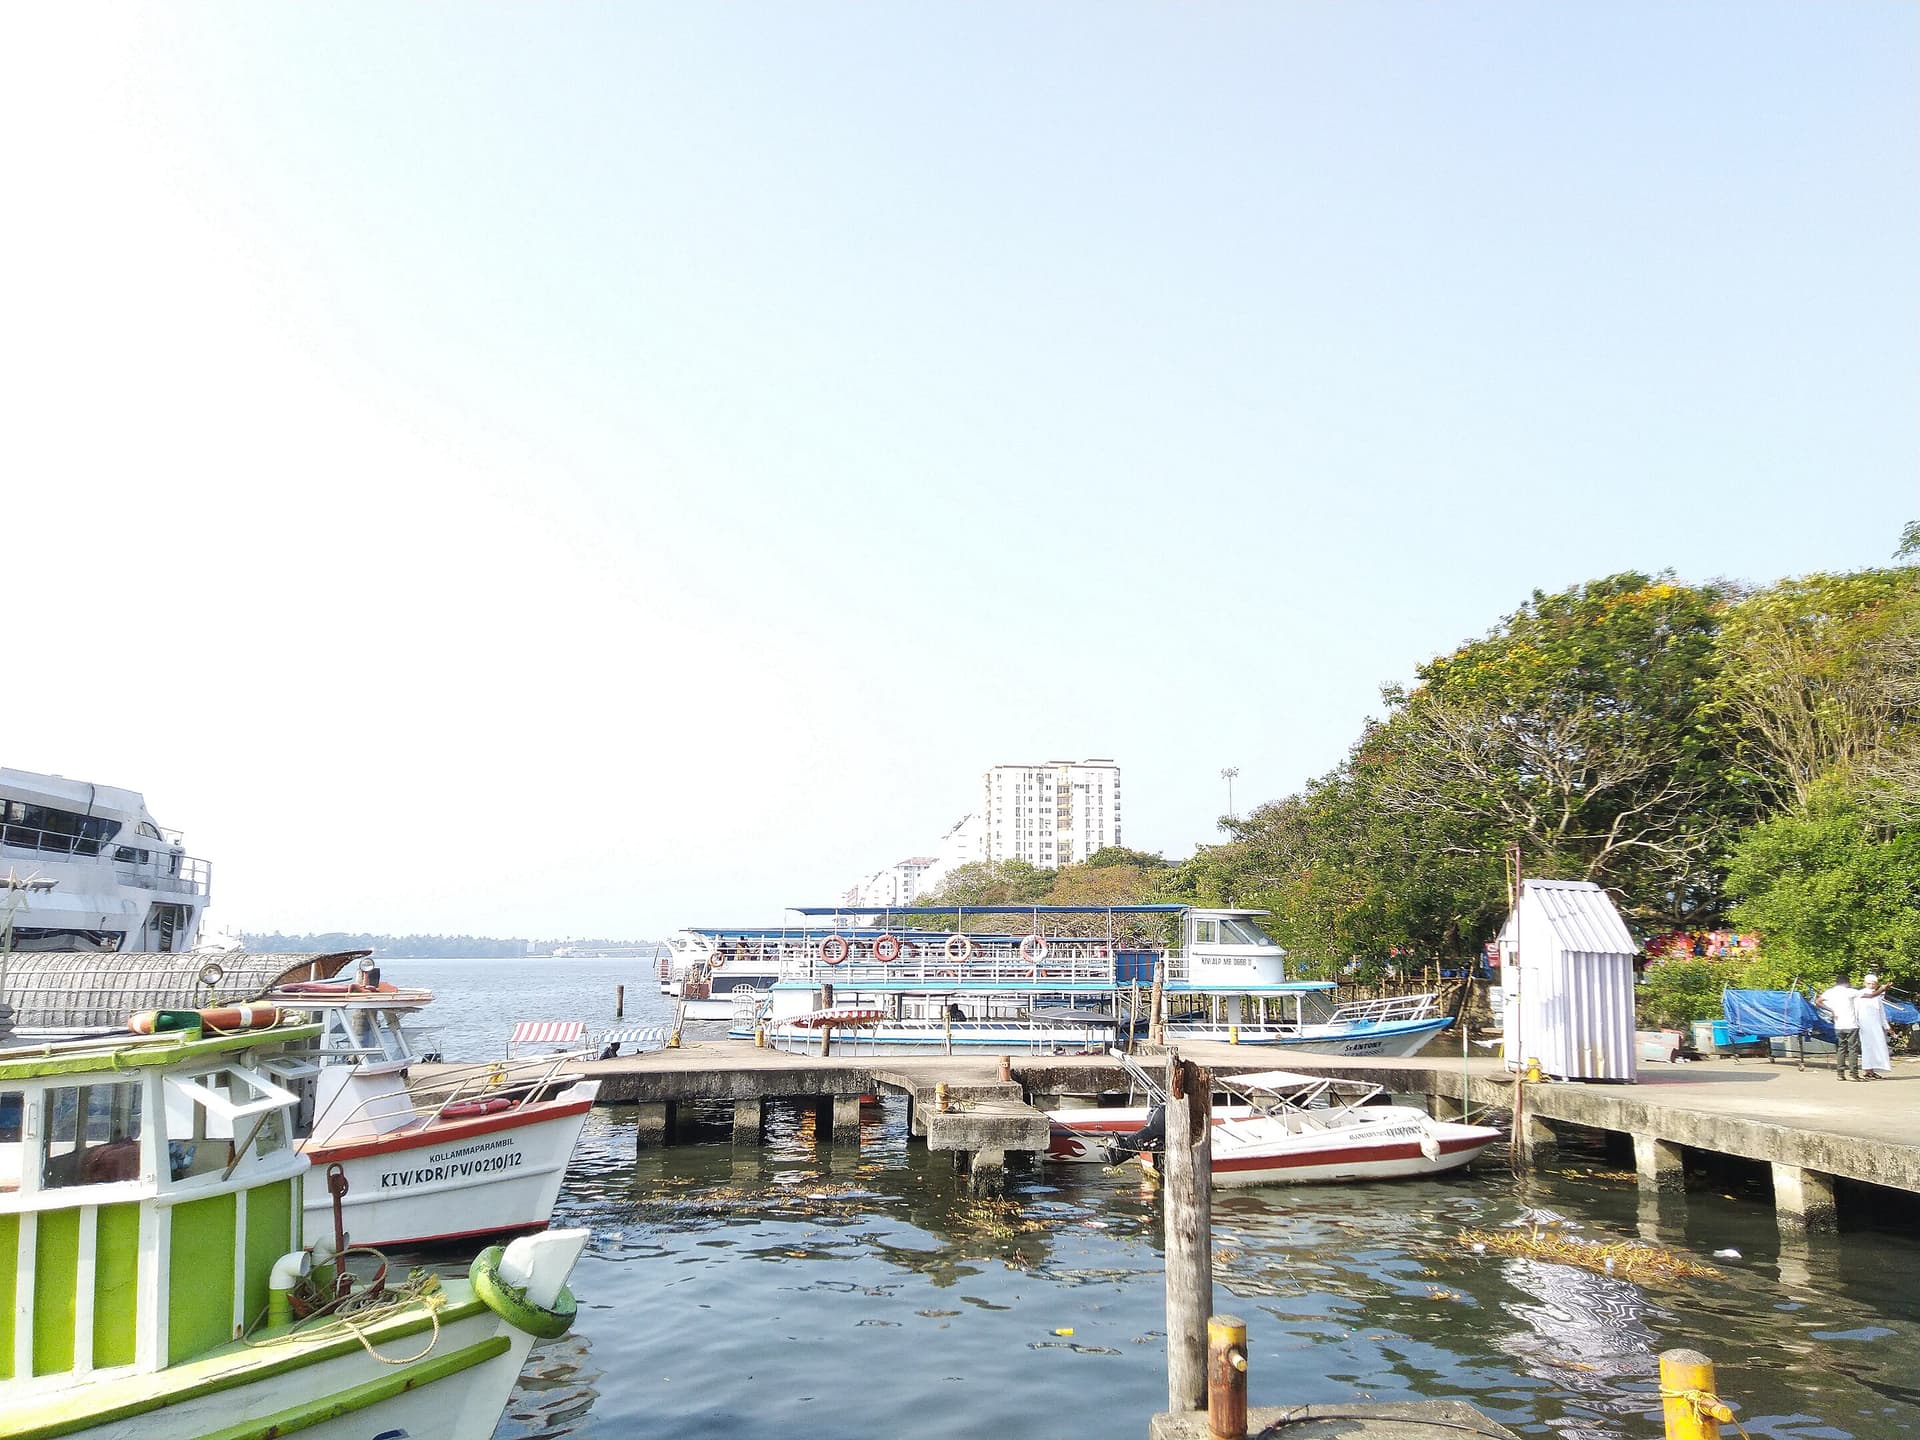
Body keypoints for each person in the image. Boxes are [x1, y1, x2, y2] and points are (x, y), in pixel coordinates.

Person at [1816, 976, 1866, 1080]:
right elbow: (1870, 995)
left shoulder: (1830, 992)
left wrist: (1831, 1010)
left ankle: (1840, 1074)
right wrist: (1882, 989)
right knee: (1853, 1049)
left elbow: (1818, 1001)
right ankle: (1853, 1074)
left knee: (1841, 1049)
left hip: (1838, 1025)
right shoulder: (1850, 991)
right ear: (1847, 983)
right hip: (1851, 1024)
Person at [1857, 974, 1892, 1079]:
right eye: (1869, 983)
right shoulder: (1860, 993)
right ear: (1864, 983)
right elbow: (1856, 1010)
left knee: (1878, 1047)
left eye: (1874, 983)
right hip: (1864, 1025)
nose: (1871, 985)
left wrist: (1887, 1026)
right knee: (1867, 1047)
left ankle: (1872, 1070)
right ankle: (1867, 1070)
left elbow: (1881, 1013)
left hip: (1876, 1025)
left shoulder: (1877, 997)